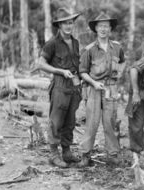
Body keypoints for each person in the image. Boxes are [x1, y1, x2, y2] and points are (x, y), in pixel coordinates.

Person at [78, 14, 125, 167]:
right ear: (96, 29)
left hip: (111, 88)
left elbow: (123, 63)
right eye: (100, 26)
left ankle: (112, 155)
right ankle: (85, 155)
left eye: (106, 26)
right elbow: (82, 71)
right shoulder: (89, 49)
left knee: (110, 122)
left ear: (110, 28)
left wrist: (118, 74)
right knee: (92, 122)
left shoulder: (117, 47)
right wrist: (93, 82)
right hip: (94, 89)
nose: (103, 29)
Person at [38, 8, 81, 168]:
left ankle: (67, 151)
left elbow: (77, 65)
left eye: (70, 22)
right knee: (56, 121)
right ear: (59, 25)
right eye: (65, 23)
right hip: (59, 86)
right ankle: (54, 154)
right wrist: (60, 71)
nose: (69, 26)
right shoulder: (52, 43)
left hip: (74, 87)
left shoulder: (75, 42)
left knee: (70, 121)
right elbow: (40, 64)